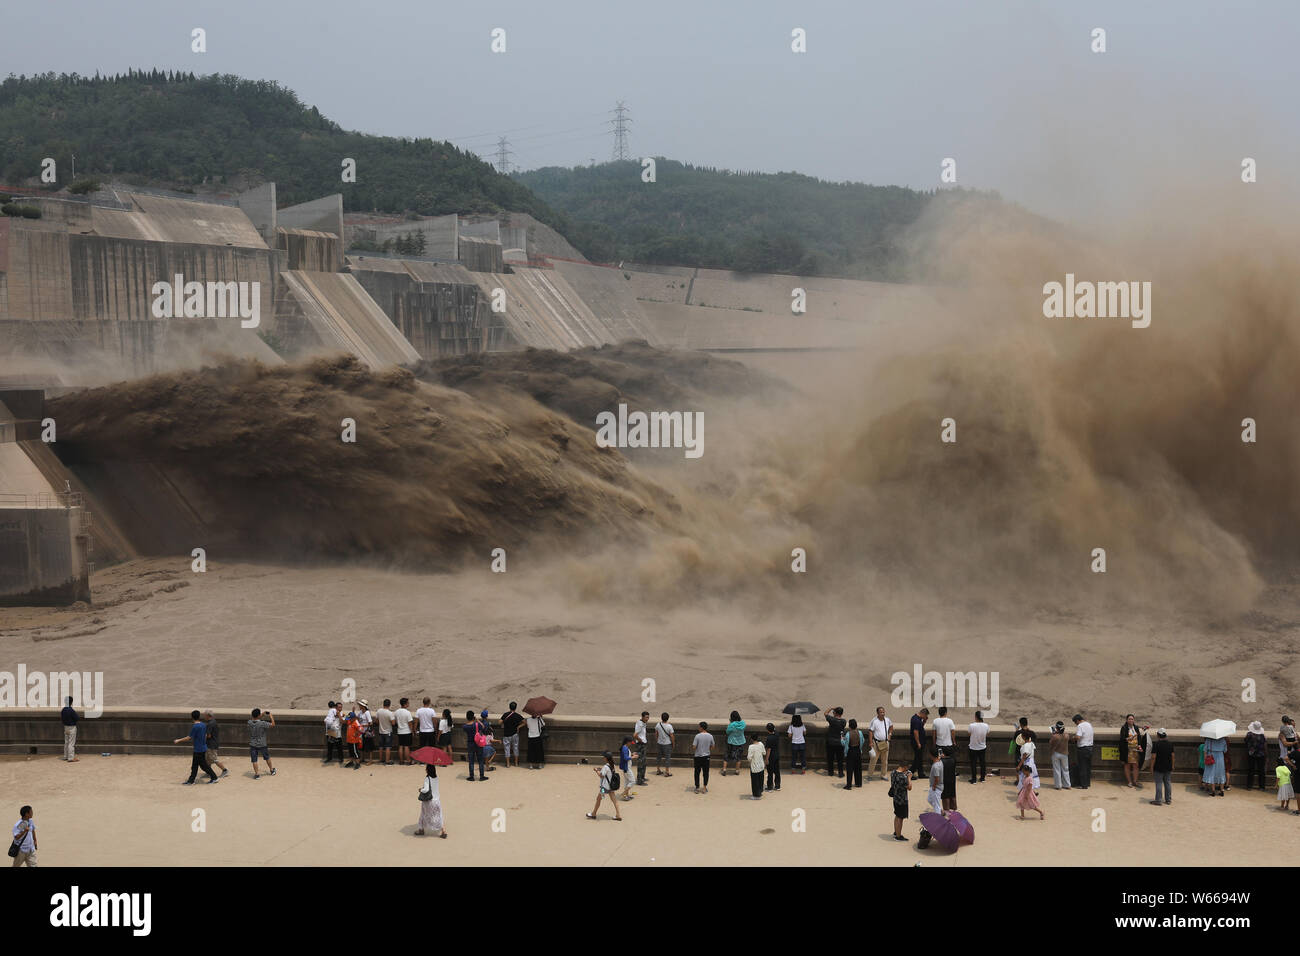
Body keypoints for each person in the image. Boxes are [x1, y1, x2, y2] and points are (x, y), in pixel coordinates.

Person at [175, 709, 218, 785]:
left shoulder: (195, 727)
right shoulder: (203, 724)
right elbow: (205, 735)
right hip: (202, 748)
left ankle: (213, 777)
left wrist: (179, 740)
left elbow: (189, 737)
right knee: (198, 766)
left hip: (198, 749)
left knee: (201, 766)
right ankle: (191, 780)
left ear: (192, 717)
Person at [587, 751, 623, 821]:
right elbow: (607, 772)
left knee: (598, 799)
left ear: (606, 758)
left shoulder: (606, 766)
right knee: (614, 800)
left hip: (604, 787)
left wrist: (596, 771)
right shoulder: (612, 765)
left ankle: (594, 814)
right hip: (611, 787)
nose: (603, 758)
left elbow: (601, 776)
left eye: (604, 757)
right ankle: (618, 815)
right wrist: (601, 769)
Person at [415, 763, 447, 838]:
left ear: (428, 770)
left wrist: (420, 790)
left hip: (429, 801)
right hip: (437, 800)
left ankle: (421, 830)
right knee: (439, 815)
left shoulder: (427, 778)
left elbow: (426, 789)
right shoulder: (436, 777)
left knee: (423, 814)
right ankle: (443, 831)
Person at [1119, 715, 1149, 788]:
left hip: (1135, 750)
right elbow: (1122, 739)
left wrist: (1139, 745)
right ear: (1126, 720)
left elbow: (1138, 738)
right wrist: (1129, 738)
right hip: (1127, 750)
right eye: (1129, 719)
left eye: (1132, 719)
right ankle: (1129, 782)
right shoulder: (1124, 728)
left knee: (1136, 765)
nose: (1131, 720)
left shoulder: (1135, 727)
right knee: (1127, 765)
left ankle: (1135, 781)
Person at [248, 708, 276, 778]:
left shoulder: (249, 722)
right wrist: (271, 716)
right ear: (259, 715)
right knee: (267, 757)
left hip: (253, 744)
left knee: (254, 760)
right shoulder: (262, 723)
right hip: (262, 744)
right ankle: (271, 770)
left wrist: (262, 714)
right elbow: (273, 725)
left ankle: (257, 774)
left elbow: (255, 719)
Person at [202, 710, 230, 778]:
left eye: (204, 715)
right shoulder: (213, 721)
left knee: (214, 759)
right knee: (207, 759)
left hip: (211, 744)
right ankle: (209, 772)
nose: (203, 716)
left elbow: (208, 735)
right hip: (213, 743)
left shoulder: (209, 724)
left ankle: (224, 770)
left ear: (208, 715)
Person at [1150, 728, 1173, 805]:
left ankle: (1158, 800)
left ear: (1158, 735)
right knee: (1168, 783)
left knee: (1159, 783)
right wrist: (1172, 765)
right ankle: (1168, 799)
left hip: (1158, 766)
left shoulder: (1156, 744)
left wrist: (1151, 767)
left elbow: (1153, 757)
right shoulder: (1170, 744)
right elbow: (1173, 756)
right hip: (1168, 766)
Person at [867, 706, 892, 780]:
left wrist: (889, 735)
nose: (882, 713)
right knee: (873, 759)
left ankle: (883, 775)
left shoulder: (887, 720)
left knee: (885, 760)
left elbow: (891, 727)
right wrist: (871, 742)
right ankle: (870, 775)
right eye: (881, 712)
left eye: (883, 712)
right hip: (876, 743)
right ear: (877, 713)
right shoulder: (874, 721)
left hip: (885, 742)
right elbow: (870, 731)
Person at [889, 765, 912, 841]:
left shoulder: (893, 773)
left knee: (897, 815)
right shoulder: (903, 777)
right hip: (902, 800)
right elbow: (909, 787)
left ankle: (896, 832)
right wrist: (909, 778)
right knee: (900, 817)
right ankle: (898, 836)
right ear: (905, 767)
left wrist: (905, 775)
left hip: (895, 798)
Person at [464, 710, 487, 782]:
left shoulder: (465, 726)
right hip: (478, 743)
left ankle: (471, 776)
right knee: (480, 760)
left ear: (467, 717)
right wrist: (477, 720)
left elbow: (467, 726)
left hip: (470, 744)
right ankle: (482, 776)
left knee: (471, 761)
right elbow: (483, 727)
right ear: (473, 717)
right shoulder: (477, 725)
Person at [1071, 713, 1094, 789]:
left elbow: (1078, 737)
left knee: (1082, 767)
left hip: (1083, 748)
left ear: (1078, 720)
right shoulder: (1089, 724)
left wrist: (1073, 738)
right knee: (1087, 767)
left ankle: (1083, 785)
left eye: (1075, 722)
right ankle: (1087, 783)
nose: (1075, 724)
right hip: (1090, 748)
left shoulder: (1080, 726)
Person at [842, 718, 864, 790]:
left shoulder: (848, 734)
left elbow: (846, 745)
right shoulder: (860, 732)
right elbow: (862, 741)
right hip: (858, 750)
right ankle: (858, 783)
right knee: (858, 768)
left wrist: (842, 740)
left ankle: (849, 785)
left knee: (850, 769)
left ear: (850, 726)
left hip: (851, 751)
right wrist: (860, 749)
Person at [693, 721, 715, 794]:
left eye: (699, 727)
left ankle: (697, 787)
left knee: (697, 772)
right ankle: (705, 787)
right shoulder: (710, 736)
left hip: (698, 756)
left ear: (701, 728)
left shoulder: (697, 736)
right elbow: (713, 746)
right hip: (706, 756)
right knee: (706, 772)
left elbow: (694, 747)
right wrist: (707, 749)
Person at [824, 706, 846, 778]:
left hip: (831, 741)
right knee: (840, 759)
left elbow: (825, 713)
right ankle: (840, 773)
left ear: (835, 713)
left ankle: (831, 772)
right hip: (840, 742)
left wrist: (831, 708)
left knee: (830, 758)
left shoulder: (832, 720)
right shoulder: (844, 721)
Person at [1245, 721, 1267, 790]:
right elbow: (1264, 744)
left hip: (1251, 754)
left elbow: (1245, 741)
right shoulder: (1262, 735)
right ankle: (1262, 786)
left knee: (1251, 770)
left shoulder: (1249, 735)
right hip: (1261, 754)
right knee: (1261, 771)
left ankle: (1249, 786)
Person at [502, 702, 525, 768]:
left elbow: (500, 722)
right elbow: (524, 722)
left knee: (507, 749)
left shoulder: (505, 714)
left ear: (509, 707)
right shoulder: (517, 715)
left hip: (506, 734)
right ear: (516, 707)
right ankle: (516, 763)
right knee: (515, 748)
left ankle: (508, 764)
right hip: (515, 734)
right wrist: (518, 727)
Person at [968, 711, 989, 783]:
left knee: (973, 763)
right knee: (982, 763)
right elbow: (987, 733)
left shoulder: (971, 725)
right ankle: (982, 778)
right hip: (982, 747)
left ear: (976, 717)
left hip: (973, 747)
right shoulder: (986, 725)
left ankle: (974, 779)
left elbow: (969, 733)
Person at [723, 711, 747, 776]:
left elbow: (727, 732)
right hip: (740, 742)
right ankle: (737, 770)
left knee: (727, 756)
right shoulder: (743, 723)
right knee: (738, 757)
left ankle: (724, 770)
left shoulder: (732, 725)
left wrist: (731, 723)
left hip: (731, 742)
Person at [1049, 721, 1071, 790]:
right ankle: (1067, 785)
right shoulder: (1067, 735)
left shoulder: (1055, 736)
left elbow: (1050, 743)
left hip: (1056, 753)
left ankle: (1058, 786)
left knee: (1057, 770)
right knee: (1065, 769)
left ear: (1057, 728)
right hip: (1064, 754)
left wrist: (1053, 733)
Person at [909, 708, 929, 779]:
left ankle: (921, 773)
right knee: (917, 759)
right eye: (925, 715)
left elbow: (920, 728)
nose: (925, 717)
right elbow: (915, 732)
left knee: (919, 758)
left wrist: (924, 721)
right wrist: (918, 743)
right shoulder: (916, 720)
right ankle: (909, 773)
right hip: (917, 743)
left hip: (919, 742)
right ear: (923, 713)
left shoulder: (917, 719)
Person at [393, 698, 414, 765]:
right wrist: (412, 731)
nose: (409, 704)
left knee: (401, 746)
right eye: (408, 703)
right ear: (405, 704)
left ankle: (401, 761)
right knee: (406, 746)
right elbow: (410, 723)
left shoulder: (396, 712)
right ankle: (408, 760)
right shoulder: (407, 712)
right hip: (407, 731)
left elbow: (395, 721)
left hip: (400, 731)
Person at [376, 699, 395, 766]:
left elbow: (377, 721)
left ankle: (381, 759)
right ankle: (387, 761)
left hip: (381, 731)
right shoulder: (390, 713)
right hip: (388, 732)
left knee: (381, 747)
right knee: (388, 747)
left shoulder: (379, 711)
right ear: (389, 705)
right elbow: (393, 723)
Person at [60, 696, 80, 762]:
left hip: (66, 727)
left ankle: (65, 756)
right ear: (71, 702)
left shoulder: (63, 710)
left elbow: (62, 719)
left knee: (66, 742)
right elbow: (77, 718)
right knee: (71, 743)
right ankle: (71, 758)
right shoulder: (71, 710)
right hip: (72, 727)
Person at [747, 733, 766, 798]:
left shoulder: (751, 747)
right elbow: (764, 753)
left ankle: (756, 795)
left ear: (751, 739)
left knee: (755, 781)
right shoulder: (761, 744)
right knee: (761, 779)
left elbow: (749, 758)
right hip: (761, 765)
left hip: (754, 766)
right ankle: (760, 791)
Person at [763, 722, 781, 791]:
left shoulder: (769, 738)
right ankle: (777, 785)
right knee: (777, 771)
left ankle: (770, 786)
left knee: (770, 772)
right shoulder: (777, 734)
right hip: (777, 754)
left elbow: (768, 750)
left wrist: (766, 759)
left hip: (771, 756)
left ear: (767, 730)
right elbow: (775, 729)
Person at [324, 701, 343, 765]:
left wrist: (339, 715)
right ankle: (329, 758)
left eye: (341, 707)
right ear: (336, 707)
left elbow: (342, 721)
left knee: (339, 747)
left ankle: (341, 759)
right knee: (330, 746)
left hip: (338, 732)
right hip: (331, 731)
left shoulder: (342, 713)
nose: (340, 708)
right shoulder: (332, 712)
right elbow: (328, 720)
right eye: (338, 707)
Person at [633, 711, 650, 785]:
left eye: (648, 717)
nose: (647, 719)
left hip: (642, 744)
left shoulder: (643, 723)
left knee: (644, 762)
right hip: (640, 745)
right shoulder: (640, 724)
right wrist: (641, 741)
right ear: (642, 717)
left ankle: (642, 777)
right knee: (641, 762)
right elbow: (635, 735)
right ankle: (639, 780)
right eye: (646, 717)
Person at [926, 745, 944, 814]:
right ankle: (941, 811)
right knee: (930, 799)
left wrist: (934, 786)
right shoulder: (940, 761)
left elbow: (937, 778)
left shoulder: (936, 766)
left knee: (936, 806)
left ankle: (939, 820)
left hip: (936, 787)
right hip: (936, 786)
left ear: (931, 755)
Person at [941, 745, 958, 812]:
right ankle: (954, 808)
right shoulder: (953, 760)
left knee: (945, 796)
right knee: (952, 794)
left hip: (944, 780)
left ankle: (946, 809)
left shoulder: (942, 761)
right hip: (952, 780)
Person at [357, 700, 375, 766]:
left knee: (369, 746)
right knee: (361, 746)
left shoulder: (367, 713)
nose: (359, 706)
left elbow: (370, 723)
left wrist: (363, 726)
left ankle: (370, 760)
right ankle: (362, 758)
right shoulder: (360, 712)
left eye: (360, 705)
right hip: (361, 732)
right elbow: (358, 719)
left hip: (366, 732)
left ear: (363, 706)